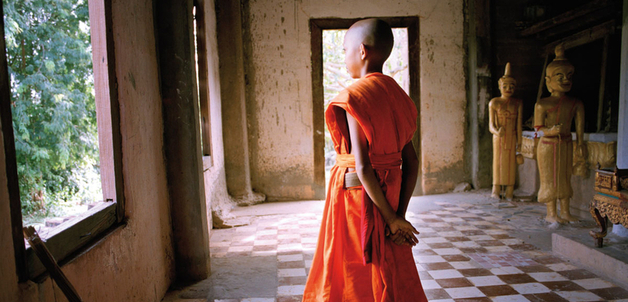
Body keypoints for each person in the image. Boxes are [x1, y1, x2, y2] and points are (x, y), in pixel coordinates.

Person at [302, 19, 427, 302]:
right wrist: (398, 215)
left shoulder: (355, 97)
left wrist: (391, 217)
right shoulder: (400, 97)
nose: (344, 56)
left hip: (357, 197)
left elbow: (363, 167)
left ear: (361, 51)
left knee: (353, 266)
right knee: (389, 258)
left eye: (345, 49)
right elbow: (412, 162)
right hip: (391, 194)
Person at [534, 44, 586, 223]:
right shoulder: (542, 104)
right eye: (560, 76)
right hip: (548, 145)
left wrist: (580, 144)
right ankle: (551, 213)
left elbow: (579, 127)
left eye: (569, 76)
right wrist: (550, 130)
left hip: (566, 144)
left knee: (565, 177)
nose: (566, 80)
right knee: (550, 179)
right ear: (548, 81)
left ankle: (565, 212)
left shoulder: (576, 103)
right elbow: (538, 128)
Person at [488, 63, 522, 200]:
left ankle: (509, 191)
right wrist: (496, 131)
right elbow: (491, 125)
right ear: (500, 86)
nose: (508, 89)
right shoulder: (494, 102)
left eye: (512, 86)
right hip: (499, 138)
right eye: (505, 86)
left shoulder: (517, 103)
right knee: (498, 163)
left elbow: (519, 125)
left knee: (510, 165)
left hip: (512, 137)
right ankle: (496, 189)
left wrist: (519, 143)